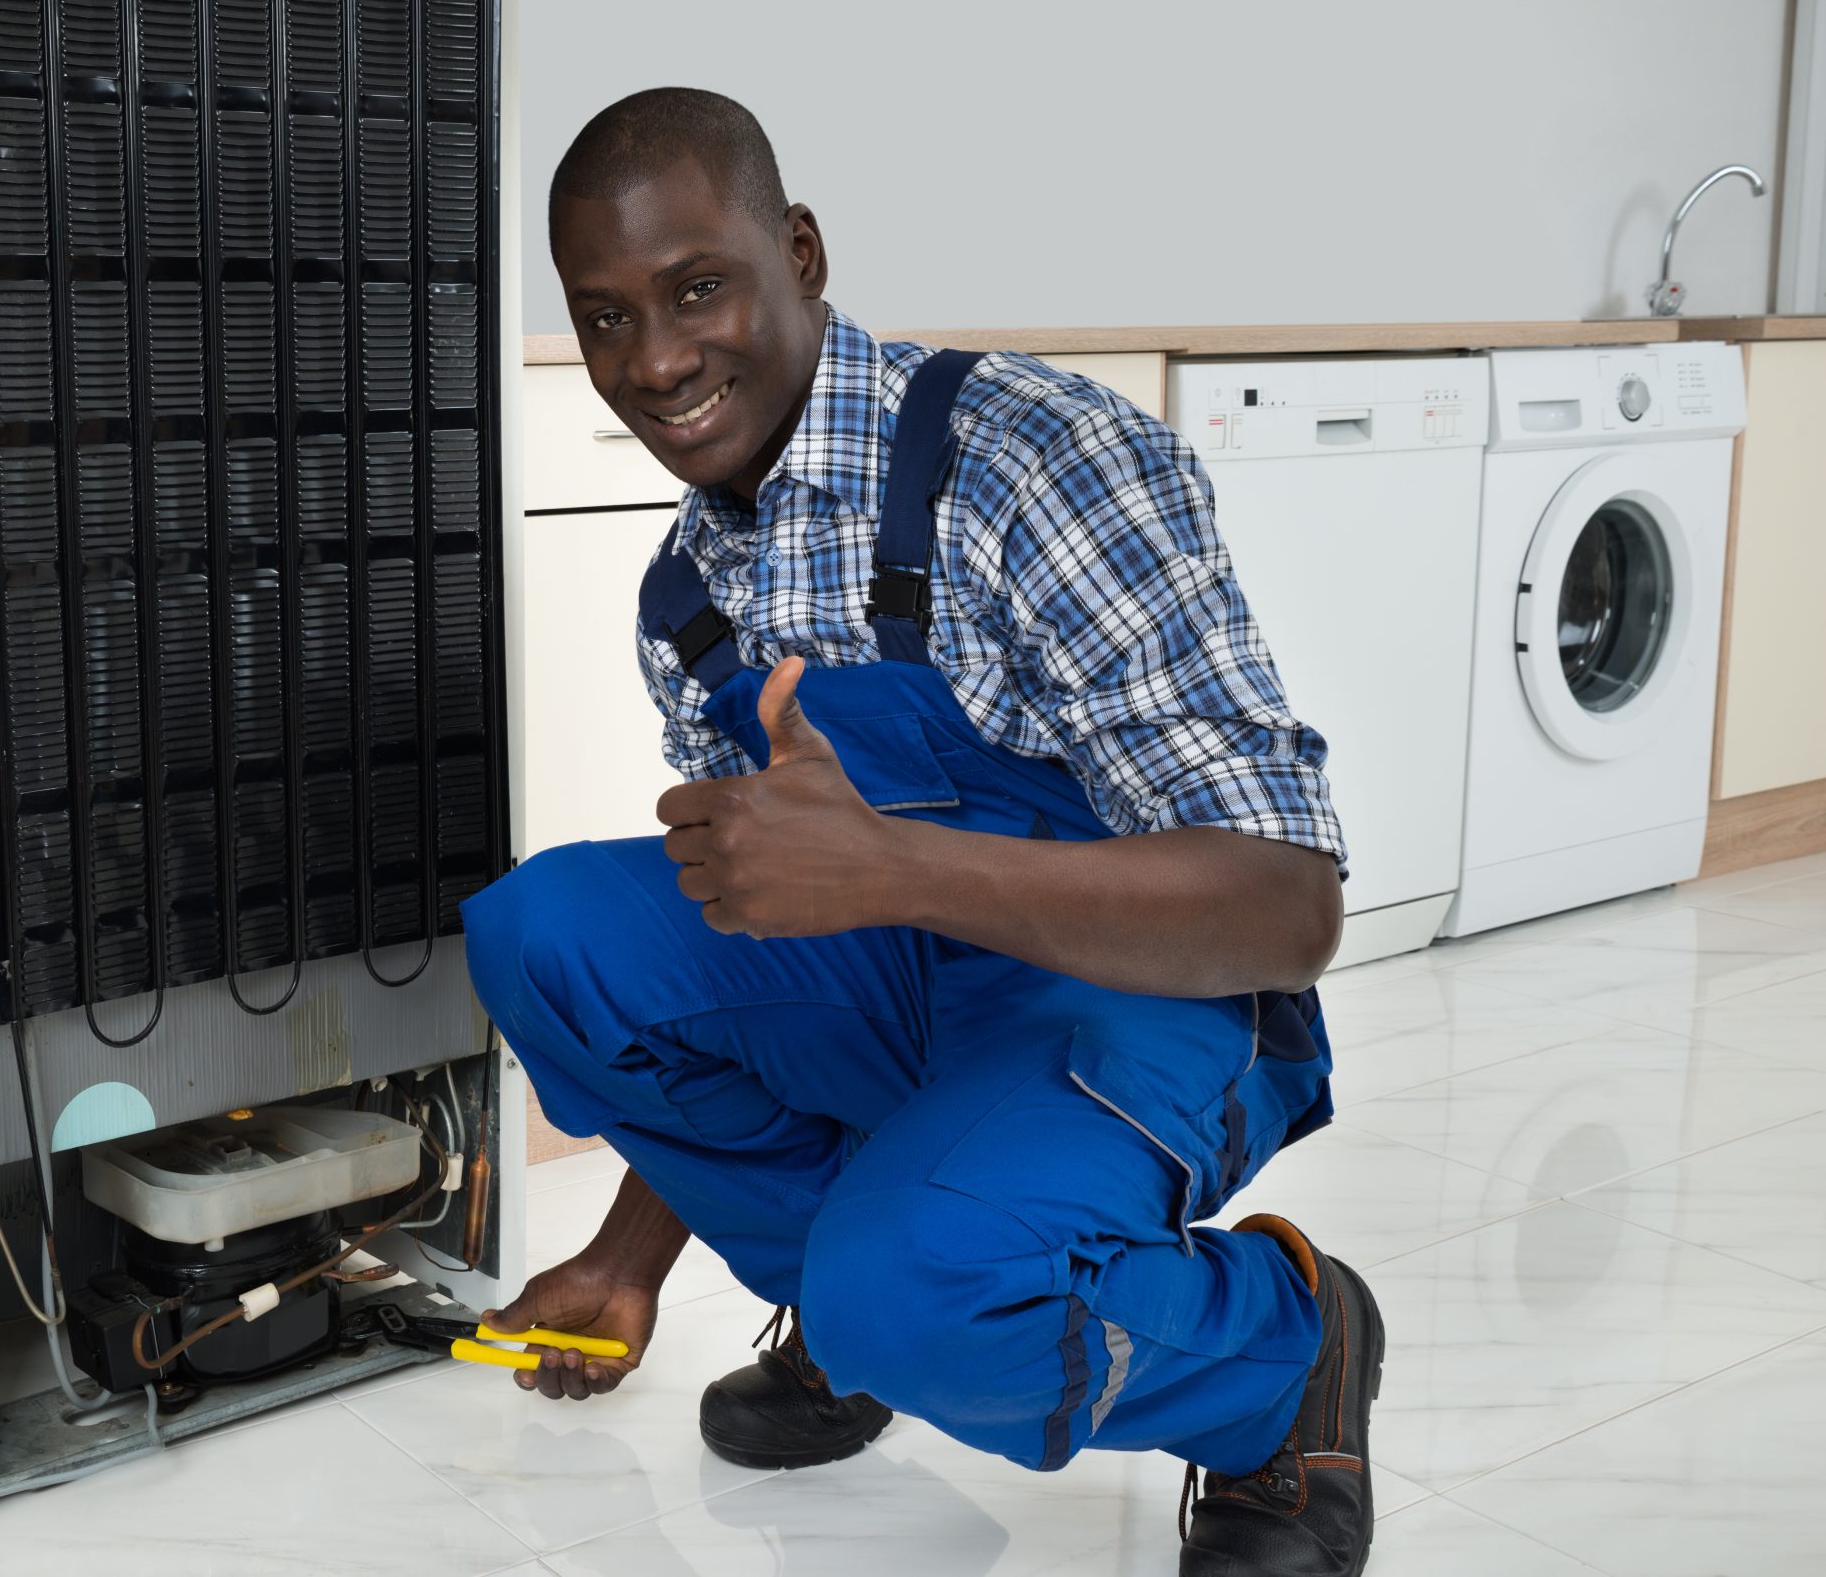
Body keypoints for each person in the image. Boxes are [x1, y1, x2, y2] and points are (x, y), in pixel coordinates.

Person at [461, 89, 1382, 1576]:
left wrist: (894, 865)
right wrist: (629, 1264)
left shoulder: (1033, 459)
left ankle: (1281, 1355)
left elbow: (1286, 906)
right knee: (540, 936)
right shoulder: (686, 598)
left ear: (802, 255)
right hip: (907, 994)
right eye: (607, 315)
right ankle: (863, 1294)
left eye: (697, 287)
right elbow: (758, 937)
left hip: (1147, 1006)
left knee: (926, 1291)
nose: (658, 361)